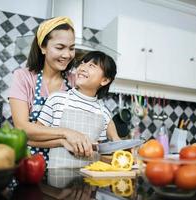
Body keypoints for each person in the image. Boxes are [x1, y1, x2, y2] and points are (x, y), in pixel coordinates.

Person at [8, 17, 119, 163]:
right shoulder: (24, 77)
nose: (67, 55)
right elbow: (22, 129)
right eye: (60, 47)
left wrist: (115, 138)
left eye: (71, 48)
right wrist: (66, 133)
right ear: (43, 47)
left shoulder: (76, 80)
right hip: (29, 164)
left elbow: (98, 110)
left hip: (67, 167)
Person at [37, 51, 120, 168]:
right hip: (57, 179)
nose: (82, 67)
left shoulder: (104, 113)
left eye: (92, 65)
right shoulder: (57, 99)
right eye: (82, 63)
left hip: (89, 179)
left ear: (105, 80)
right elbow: (35, 137)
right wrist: (62, 142)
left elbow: (97, 152)